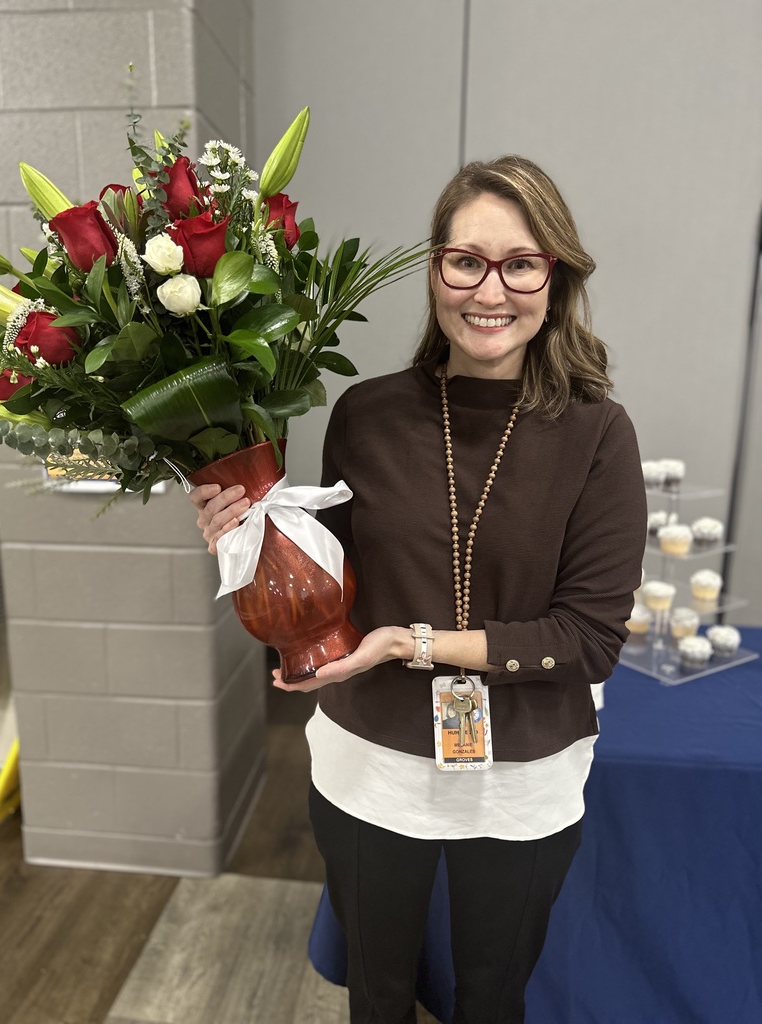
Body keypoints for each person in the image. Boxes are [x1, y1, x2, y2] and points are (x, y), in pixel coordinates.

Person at [190, 155, 647, 1024]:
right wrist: (243, 535)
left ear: (556, 278)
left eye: (521, 262)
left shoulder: (597, 433)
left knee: (490, 997)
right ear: (434, 268)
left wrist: (413, 645)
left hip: (523, 776)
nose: (491, 289)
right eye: (465, 259)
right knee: (379, 993)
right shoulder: (367, 413)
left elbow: (589, 639)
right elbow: (331, 587)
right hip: (374, 766)